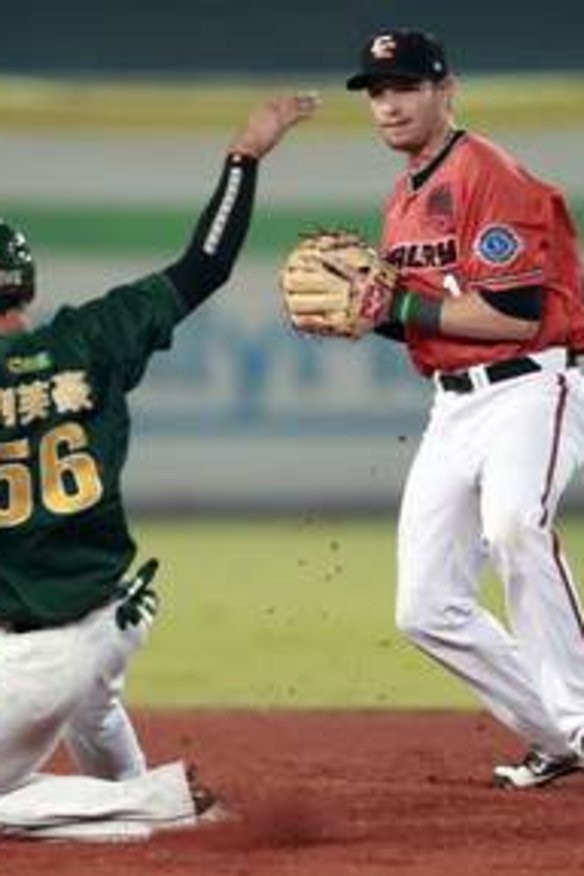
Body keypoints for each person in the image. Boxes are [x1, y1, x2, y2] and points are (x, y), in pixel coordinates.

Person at [0, 92, 318, 840]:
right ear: (28, 287)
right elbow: (205, 264)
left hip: (39, 640)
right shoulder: (93, 337)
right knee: (93, 703)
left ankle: (159, 801)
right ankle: (150, 813)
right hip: (112, 613)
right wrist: (245, 156)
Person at [342, 28, 584, 788]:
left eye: (406, 87)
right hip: (453, 406)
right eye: (379, 91)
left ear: (448, 91)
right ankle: (556, 737)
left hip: (529, 386)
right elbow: (428, 320)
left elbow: (512, 315)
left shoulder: (490, 175)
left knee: (515, 525)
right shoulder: (403, 197)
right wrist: (377, 314)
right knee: (424, 608)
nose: (389, 105)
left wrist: (398, 306)